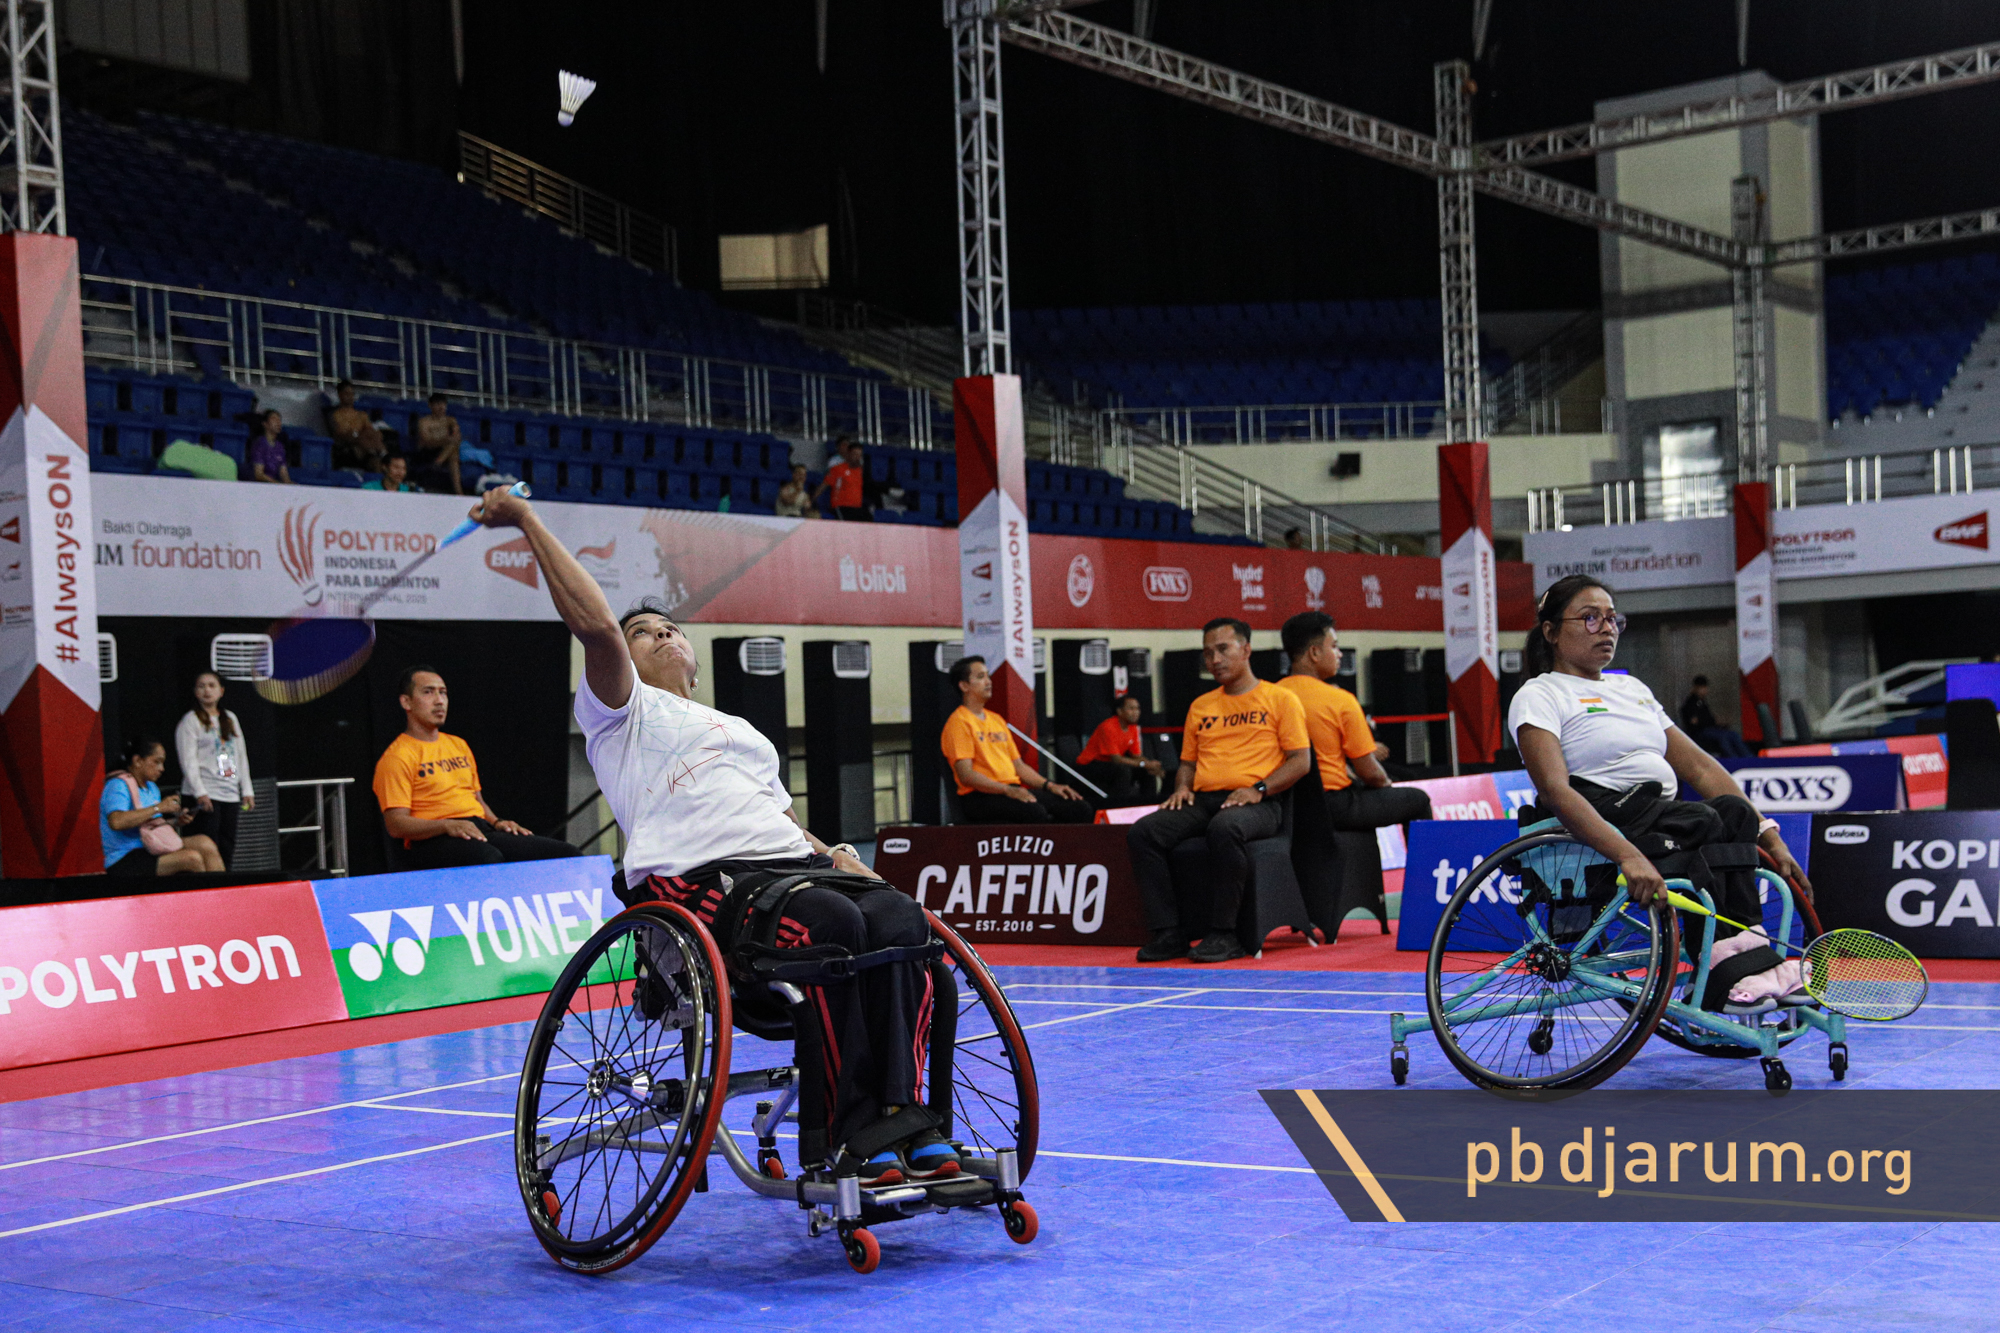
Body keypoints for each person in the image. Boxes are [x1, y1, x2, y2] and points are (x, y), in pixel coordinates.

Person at [466, 485, 960, 1187]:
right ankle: (848, 1136)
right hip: (703, 881)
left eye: (670, 627)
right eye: (644, 632)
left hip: (794, 868)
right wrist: (525, 519)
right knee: (833, 924)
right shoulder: (622, 714)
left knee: (899, 917)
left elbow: (780, 820)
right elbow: (596, 628)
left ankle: (905, 1119)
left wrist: (834, 853)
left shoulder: (742, 731)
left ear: (694, 659)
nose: (661, 634)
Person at [1511, 574, 1811, 1009]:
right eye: (1590, 618)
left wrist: (1768, 833)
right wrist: (1627, 855)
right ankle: (1718, 963)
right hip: (1598, 812)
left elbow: (1700, 767)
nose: (1607, 629)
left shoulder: (1631, 688)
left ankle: (1751, 954)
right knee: (1701, 820)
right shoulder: (1539, 694)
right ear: (1551, 631)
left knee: (1736, 813)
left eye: (1612, 619)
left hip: (1654, 813)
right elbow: (1555, 790)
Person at [1128, 618, 1311, 963]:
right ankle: (1169, 932)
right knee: (1144, 832)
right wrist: (1181, 788)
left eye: (1223, 649)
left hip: (1259, 802)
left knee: (1224, 829)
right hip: (1204, 799)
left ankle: (1225, 934)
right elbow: (1187, 764)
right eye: (1208, 653)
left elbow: (1300, 762)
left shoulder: (1280, 698)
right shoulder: (1201, 706)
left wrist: (1258, 788)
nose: (1214, 659)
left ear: (1246, 649)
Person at [371, 666, 581, 868]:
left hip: (476, 827)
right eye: (428, 692)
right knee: (488, 858)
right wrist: (446, 825)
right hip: (433, 837)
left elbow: (477, 800)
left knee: (566, 854)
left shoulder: (458, 744)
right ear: (406, 702)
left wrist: (497, 822)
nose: (439, 700)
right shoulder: (397, 756)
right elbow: (396, 824)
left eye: (443, 693)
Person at [1277, 612, 1432, 831]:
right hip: (1332, 803)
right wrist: (1386, 783)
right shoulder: (1340, 699)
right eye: (1334, 647)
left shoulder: (1270, 696)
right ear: (1314, 653)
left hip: (1286, 803)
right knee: (1418, 800)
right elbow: (1371, 773)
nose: (1339, 654)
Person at [943, 656, 1092, 824]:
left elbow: (1019, 767)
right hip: (980, 796)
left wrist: (1050, 786)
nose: (988, 681)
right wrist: (1006, 790)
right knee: (1034, 812)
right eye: (980, 677)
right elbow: (966, 775)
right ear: (964, 686)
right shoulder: (959, 722)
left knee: (1078, 808)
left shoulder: (996, 719)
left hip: (1010, 790)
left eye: (988, 676)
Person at [101, 735, 225, 876]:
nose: (162, 769)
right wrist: (159, 808)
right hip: (125, 856)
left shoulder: (152, 788)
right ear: (137, 761)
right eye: (157, 762)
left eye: (162, 763)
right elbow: (116, 822)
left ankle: (223, 890)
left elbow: (150, 826)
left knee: (205, 843)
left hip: (152, 846)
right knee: (191, 858)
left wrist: (176, 821)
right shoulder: (118, 785)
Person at [174, 671, 254, 869]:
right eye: (201, 686)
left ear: (221, 691)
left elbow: (240, 755)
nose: (207, 690)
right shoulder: (191, 720)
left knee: (227, 845)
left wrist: (247, 789)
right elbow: (188, 760)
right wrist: (200, 792)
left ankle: (226, 883)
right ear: (195, 692)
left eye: (211, 685)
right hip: (205, 793)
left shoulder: (230, 718)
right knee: (208, 846)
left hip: (229, 792)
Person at [1076, 693, 1162, 807]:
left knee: (1147, 772)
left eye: (1137, 708)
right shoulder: (1108, 727)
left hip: (1110, 764)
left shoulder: (1133, 728)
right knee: (1123, 771)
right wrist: (1143, 764)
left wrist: (1150, 765)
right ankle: (1120, 806)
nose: (1136, 712)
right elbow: (1116, 759)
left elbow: (1136, 756)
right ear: (1120, 711)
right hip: (1090, 764)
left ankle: (1149, 806)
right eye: (1131, 709)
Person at [1680, 675, 1752, 757]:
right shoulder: (1690, 703)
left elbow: (1707, 718)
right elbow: (1695, 722)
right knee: (1723, 737)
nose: (1704, 690)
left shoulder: (1703, 703)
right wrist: (1709, 721)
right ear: (1696, 688)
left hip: (1711, 728)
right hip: (1700, 732)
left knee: (1733, 734)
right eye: (1701, 688)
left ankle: (1749, 757)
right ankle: (1733, 758)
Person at [326, 380, 386, 473]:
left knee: (375, 435)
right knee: (362, 439)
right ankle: (380, 453)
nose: (350, 396)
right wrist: (357, 435)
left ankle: (382, 454)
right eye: (346, 393)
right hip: (350, 443)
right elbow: (341, 434)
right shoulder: (335, 414)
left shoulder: (362, 415)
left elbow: (370, 431)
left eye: (351, 393)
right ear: (340, 394)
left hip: (365, 443)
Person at [411, 393, 464, 496]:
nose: (441, 407)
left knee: (453, 451)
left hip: (444, 452)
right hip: (427, 452)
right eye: (437, 404)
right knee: (452, 449)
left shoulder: (450, 420)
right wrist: (446, 440)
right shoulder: (424, 422)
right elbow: (426, 441)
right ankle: (459, 491)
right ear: (430, 406)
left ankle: (437, 464)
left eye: (443, 404)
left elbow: (456, 437)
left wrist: (447, 440)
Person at [814, 437, 870, 521]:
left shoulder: (860, 471)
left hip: (857, 507)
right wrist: (812, 499)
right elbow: (824, 485)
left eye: (859, 455)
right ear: (849, 454)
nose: (857, 457)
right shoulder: (838, 469)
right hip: (841, 506)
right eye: (855, 454)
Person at [248, 410, 292, 484]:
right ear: (265, 424)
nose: (278, 423)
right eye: (274, 419)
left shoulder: (280, 447)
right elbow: (259, 474)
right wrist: (277, 484)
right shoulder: (259, 444)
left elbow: (284, 475)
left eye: (279, 420)